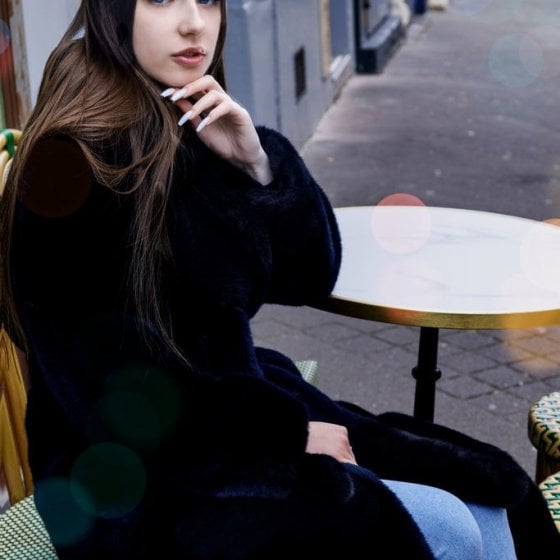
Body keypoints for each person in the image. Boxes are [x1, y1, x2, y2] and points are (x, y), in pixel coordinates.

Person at [0, 1, 557, 558]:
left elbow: (310, 275)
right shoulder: (70, 165)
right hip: (130, 485)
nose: (194, 22)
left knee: (490, 497)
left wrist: (259, 165)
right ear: (114, 11)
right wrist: (286, 440)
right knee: (447, 527)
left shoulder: (184, 122)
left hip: (224, 413)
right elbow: (111, 397)